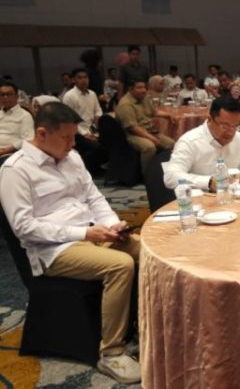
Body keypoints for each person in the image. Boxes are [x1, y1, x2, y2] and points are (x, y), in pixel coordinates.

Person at [0, 102, 141, 384]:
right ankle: (111, 352)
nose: (73, 143)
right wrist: (84, 234)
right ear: (42, 134)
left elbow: (93, 197)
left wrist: (113, 224)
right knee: (121, 265)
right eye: (66, 137)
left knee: (144, 249)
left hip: (91, 233)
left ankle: (142, 325)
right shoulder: (16, 170)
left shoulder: (72, 157)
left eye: (74, 136)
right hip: (53, 250)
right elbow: (24, 227)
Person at [164, 96, 240, 190]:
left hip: (233, 196)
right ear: (210, 119)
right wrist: (208, 182)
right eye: (224, 126)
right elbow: (170, 177)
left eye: (235, 126)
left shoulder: (238, 139)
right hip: (198, 197)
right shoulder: (190, 142)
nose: (230, 133)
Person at [115, 79, 174, 174]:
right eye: (139, 88)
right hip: (132, 135)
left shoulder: (144, 98)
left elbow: (154, 112)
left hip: (149, 130)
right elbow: (133, 128)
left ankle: (163, 172)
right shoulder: (125, 104)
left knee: (171, 143)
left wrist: (168, 115)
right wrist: (153, 139)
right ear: (130, 89)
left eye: (144, 87)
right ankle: (147, 175)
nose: (143, 90)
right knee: (149, 147)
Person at [61, 68, 107, 174]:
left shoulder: (92, 94)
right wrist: (84, 134)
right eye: (80, 78)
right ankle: (88, 169)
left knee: (110, 142)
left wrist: (97, 117)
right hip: (77, 132)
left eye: (86, 77)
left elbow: (98, 110)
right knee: (96, 147)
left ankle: (96, 167)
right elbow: (69, 120)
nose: (84, 80)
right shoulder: (69, 96)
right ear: (73, 80)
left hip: (93, 129)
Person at [0, 81, 34, 162]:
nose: (5, 97)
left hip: (10, 154)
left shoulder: (24, 115)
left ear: (17, 96)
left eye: (9, 94)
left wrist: (4, 151)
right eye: (2, 95)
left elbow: (28, 139)